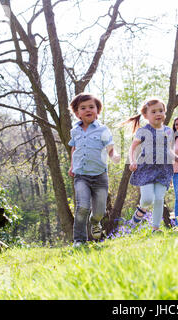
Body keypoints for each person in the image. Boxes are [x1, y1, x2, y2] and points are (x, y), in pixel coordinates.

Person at [68, 93, 120, 247]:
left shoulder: (103, 129)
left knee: (99, 211)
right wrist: (72, 166)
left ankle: (95, 221)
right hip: (81, 175)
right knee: (82, 206)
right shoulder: (75, 131)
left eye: (91, 107)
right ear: (77, 113)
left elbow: (110, 148)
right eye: (83, 108)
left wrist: (114, 155)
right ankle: (79, 240)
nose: (88, 110)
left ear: (98, 110)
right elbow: (74, 149)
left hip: (100, 176)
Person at [124, 97, 178, 233]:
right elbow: (132, 148)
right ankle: (141, 209)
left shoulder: (168, 131)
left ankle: (155, 229)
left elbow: (168, 150)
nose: (158, 114)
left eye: (161, 111)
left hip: (163, 170)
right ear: (146, 116)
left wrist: (176, 157)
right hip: (146, 169)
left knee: (159, 199)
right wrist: (133, 160)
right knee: (148, 199)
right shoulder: (143, 131)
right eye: (153, 112)